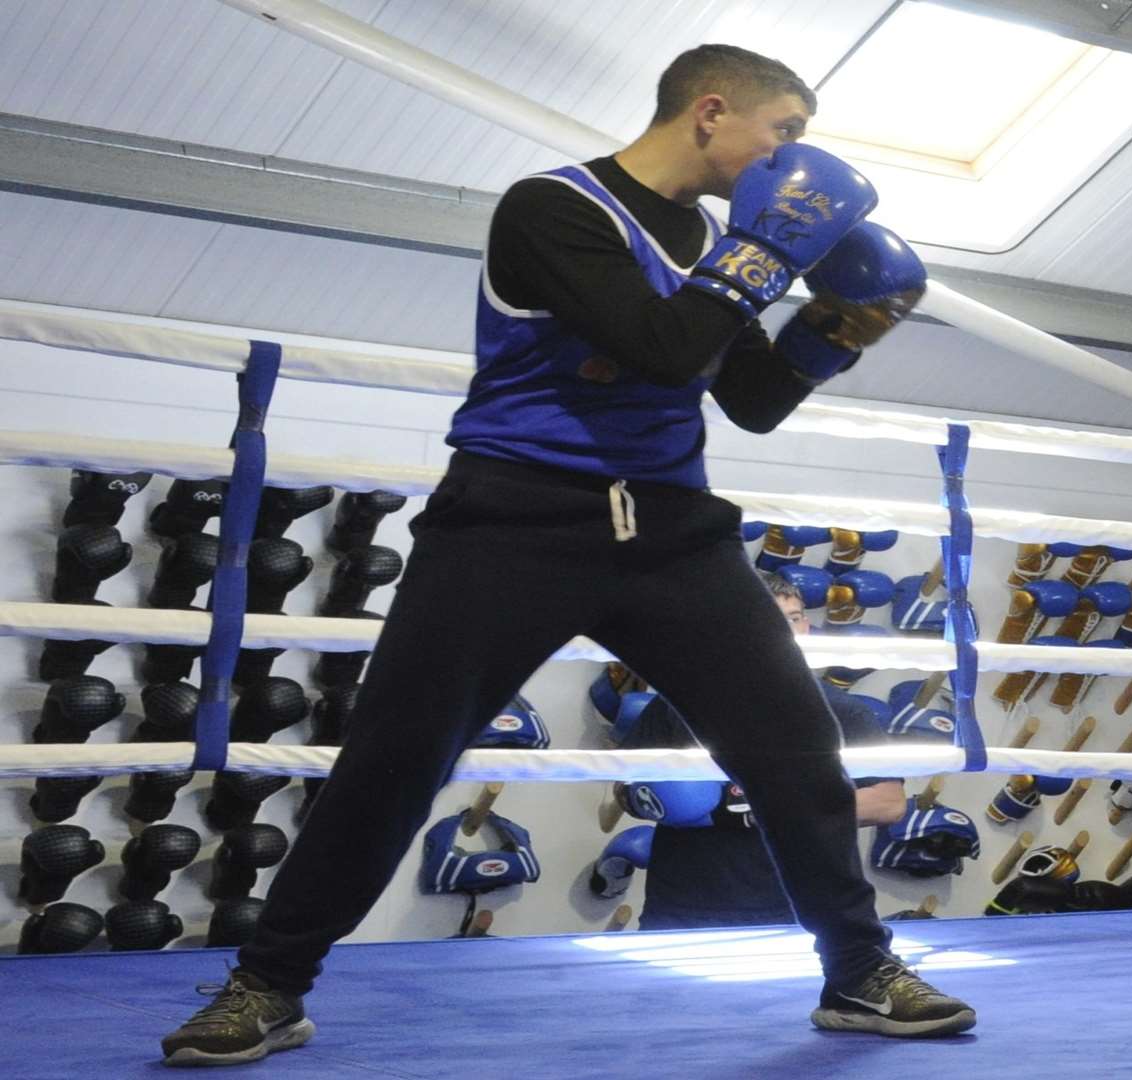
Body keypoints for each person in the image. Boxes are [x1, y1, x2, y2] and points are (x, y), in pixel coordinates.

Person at [161, 44, 973, 1066]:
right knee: (394, 760)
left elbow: (753, 403)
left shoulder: (716, 239)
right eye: (786, 131)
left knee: (796, 748)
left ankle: (860, 973)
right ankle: (267, 988)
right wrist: (765, 255)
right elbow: (663, 345)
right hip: (513, 519)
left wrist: (833, 328)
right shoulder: (554, 209)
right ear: (713, 113)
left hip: (673, 531)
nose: (793, 156)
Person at [625, 571, 908, 929]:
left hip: (797, 910)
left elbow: (889, 802)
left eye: (793, 619)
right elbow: (623, 785)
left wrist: (766, 808)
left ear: (805, 627)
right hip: (681, 905)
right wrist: (648, 800)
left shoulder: (842, 711)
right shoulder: (678, 703)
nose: (784, 630)